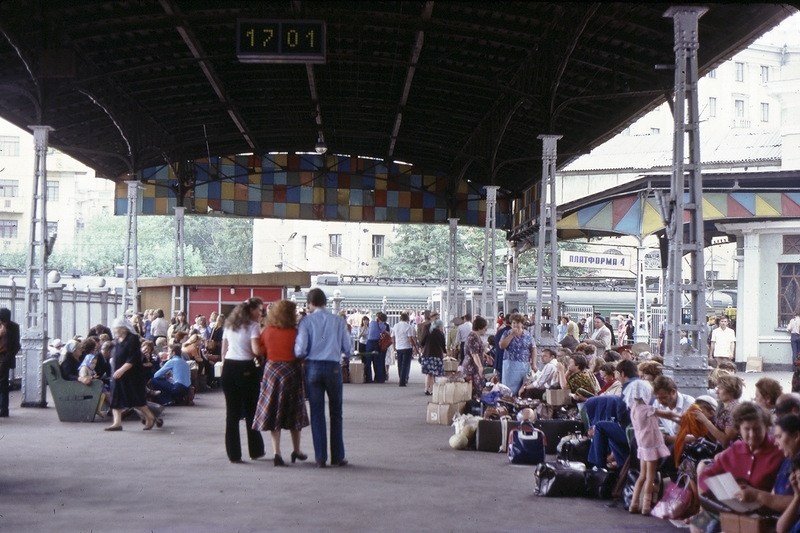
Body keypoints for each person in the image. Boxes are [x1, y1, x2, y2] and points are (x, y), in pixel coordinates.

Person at [690, 402, 784, 533]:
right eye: (746, 429)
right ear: (739, 429)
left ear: (766, 427)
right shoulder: (735, 449)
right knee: (697, 524)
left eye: (757, 429)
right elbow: (706, 475)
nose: (752, 434)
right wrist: (723, 491)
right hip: (730, 507)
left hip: (764, 512)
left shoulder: (779, 450)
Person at [294, 288, 353, 468]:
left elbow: (300, 350)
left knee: (317, 413)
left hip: (313, 368)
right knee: (336, 413)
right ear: (325, 302)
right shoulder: (338, 321)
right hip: (334, 368)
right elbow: (348, 349)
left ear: (310, 303)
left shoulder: (306, 322)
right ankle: (338, 456)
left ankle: (320, 457)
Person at [253, 300, 309, 467]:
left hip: (272, 372)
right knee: (294, 411)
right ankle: (296, 450)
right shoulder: (296, 332)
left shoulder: (267, 331)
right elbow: (301, 355)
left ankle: (276, 452)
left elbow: (260, 350)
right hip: (291, 372)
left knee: (274, 410)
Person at [220, 298, 265, 462]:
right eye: (259, 310)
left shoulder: (229, 326)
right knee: (251, 410)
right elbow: (255, 350)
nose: (261, 314)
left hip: (229, 368)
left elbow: (223, 352)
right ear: (251, 311)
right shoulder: (253, 327)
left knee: (231, 413)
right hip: (246, 368)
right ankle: (255, 450)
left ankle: (233, 454)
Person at [736, 414, 800, 516]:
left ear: (796, 436)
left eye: (779, 437)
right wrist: (749, 496)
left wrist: (757, 495)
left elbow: (796, 503)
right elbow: (773, 498)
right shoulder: (786, 461)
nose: (776, 443)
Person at [625, 379, 670, 516]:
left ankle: (633, 504)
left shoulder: (634, 408)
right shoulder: (649, 409)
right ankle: (646, 505)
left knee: (642, 476)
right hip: (651, 445)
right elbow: (668, 414)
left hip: (642, 446)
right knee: (651, 477)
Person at [105, 317, 159, 431]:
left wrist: (121, 370)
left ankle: (150, 417)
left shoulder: (132, 340)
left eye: (117, 328)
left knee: (135, 399)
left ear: (123, 329)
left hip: (131, 375)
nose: (114, 331)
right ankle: (117, 422)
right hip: (117, 375)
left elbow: (133, 359)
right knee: (115, 398)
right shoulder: (117, 341)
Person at [498, 312, 537, 396]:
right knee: (509, 389)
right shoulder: (507, 333)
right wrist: (512, 335)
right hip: (510, 365)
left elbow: (533, 349)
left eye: (517, 323)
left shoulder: (528, 335)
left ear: (522, 324)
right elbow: (502, 346)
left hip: (524, 365)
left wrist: (533, 364)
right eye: (513, 323)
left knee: (523, 387)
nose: (515, 325)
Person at [462, 316, 488, 401]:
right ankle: (473, 409)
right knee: (475, 390)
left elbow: (477, 351)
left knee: (477, 388)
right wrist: (480, 367)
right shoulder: (473, 338)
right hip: (472, 368)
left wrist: (486, 356)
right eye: (485, 328)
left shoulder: (475, 336)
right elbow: (474, 354)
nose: (486, 330)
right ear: (480, 327)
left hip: (473, 366)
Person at [419, 317, 446, 396]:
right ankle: (433, 389)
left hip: (427, 354)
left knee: (428, 373)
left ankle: (426, 389)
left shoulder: (428, 332)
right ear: (439, 326)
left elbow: (422, 342)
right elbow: (443, 345)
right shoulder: (440, 334)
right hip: (437, 355)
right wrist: (445, 352)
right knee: (435, 374)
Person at [391, 312, 418, 388]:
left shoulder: (395, 326)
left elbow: (392, 337)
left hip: (398, 347)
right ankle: (403, 380)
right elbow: (410, 339)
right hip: (407, 347)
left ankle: (401, 377)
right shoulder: (408, 327)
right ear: (407, 319)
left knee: (399, 364)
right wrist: (415, 347)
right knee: (405, 365)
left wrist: (394, 346)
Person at [365, 312, 389, 383]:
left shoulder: (372, 323)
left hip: (369, 342)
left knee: (368, 361)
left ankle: (368, 378)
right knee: (377, 361)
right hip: (376, 343)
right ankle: (379, 378)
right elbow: (383, 331)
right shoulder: (383, 325)